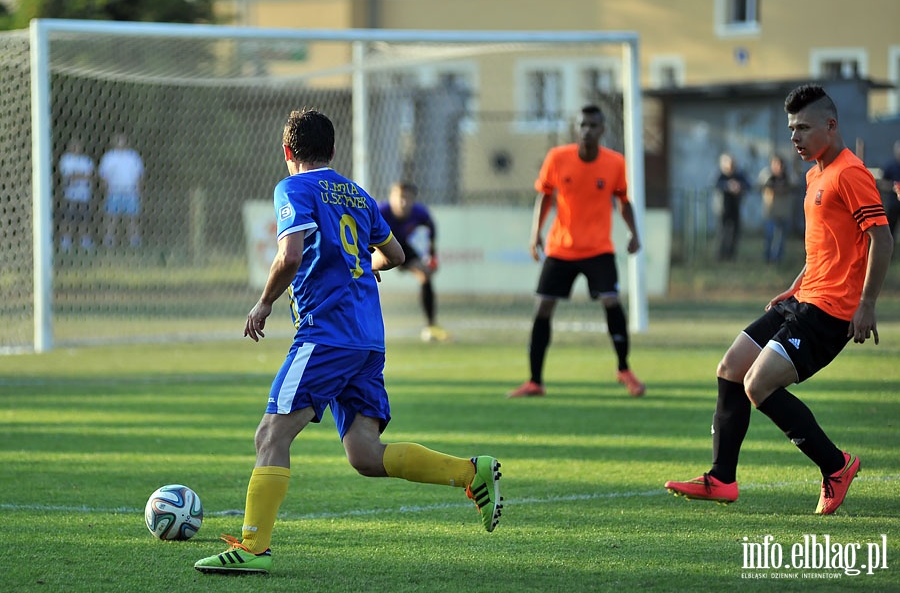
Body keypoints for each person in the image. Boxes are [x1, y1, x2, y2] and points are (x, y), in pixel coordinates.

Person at [194, 108, 503, 575]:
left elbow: (290, 254)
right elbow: (395, 255)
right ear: (333, 150)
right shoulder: (356, 193)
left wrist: (264, 302)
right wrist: (361, 271)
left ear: (286, 152)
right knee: (364, 454)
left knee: (271, 434)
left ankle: (253, 547)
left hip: (326, 334)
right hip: (368, 338)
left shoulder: (293, 188)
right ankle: (469, 472)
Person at [664, 84, 893, 514]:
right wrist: (795, 283)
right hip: (803, 298)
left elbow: (881, 238)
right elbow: (825, 247)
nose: (794, 137)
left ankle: (836, 465)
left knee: (758, 384)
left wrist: (867, 303)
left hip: (831, 312)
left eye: (803, 128)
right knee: (732, 367)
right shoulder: (814, 175)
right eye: (791, 128)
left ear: (831, 124)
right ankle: (722, 479)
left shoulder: (850, 172)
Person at [507, 104, 645, 399]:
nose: (587, 131)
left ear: (602, 130)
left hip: (598, 249)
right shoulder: (558, 158)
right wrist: (536, 234)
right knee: (543, 307)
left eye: (593, 126)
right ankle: (535, 381)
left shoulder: (614, 163)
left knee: (611, 300)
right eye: (582, 125)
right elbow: (545, 196)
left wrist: (634, 232)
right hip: (561, 248)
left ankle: (624, 369)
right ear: (576, 128)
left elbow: (623, 200)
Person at [378, 181, 449, 342]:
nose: (402, 202)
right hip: (380, 249)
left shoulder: (421, 214)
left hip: (404, 250)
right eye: (399, 197)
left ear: (413, 200)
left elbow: (431, 234)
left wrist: (432, 257)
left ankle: (431, 327)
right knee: (362, 276)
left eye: (407, 198)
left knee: (426, 275)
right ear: (391, 198)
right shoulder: (381, 212)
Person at [98, 133, 144, 247]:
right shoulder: (108, 157)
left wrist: (139, 190)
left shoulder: (134, 156)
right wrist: (104, 191)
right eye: (118, 140)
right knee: (111, 218)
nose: (120, 143)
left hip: (131, 192)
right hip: (113, 192)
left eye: (123, 140)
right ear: (113, 142)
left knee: (132, 219)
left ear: (127, 142)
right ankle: (109, 240)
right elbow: (103, 176)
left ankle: (134, 241)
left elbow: (140, 175)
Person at [58, 138, 95, 251]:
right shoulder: (65, 159)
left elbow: (90, 176)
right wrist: (81, 175)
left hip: (84, 195)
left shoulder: (86, 160)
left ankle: (85, 241)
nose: (76, 148)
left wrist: (76, 175)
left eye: (78, 146)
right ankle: (66, 241)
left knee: (85, 219)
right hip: (70, 195)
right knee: (68, 218)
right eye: (74, 146)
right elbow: (67, 177)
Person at [713, 153, 751, 261]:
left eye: (732, 163)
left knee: (735, 232)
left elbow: (748, 185)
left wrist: (739, 186)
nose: (731, 166)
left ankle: (731, 255)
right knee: (722, 233)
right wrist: (728, 186)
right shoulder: (720, 175)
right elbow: (715, 184)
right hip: (722, 209)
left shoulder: (739, 174)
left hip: (735, 207)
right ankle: (721, 255)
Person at [759, 155, 796, 263]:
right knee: (769, 236)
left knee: (781, 238)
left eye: (780, 164)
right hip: (770, 212)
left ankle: (777, 259)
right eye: (776, 164)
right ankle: (768, 258)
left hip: (784, 212)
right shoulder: (767, 175)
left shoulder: (788, 176)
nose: (779, 167)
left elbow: (794, 184)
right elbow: (763, 184)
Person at [879, 139, 900, 237]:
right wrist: (893, 187)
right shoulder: (890, 166)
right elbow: (882, 183)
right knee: (890, 231)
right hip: (893, 204)